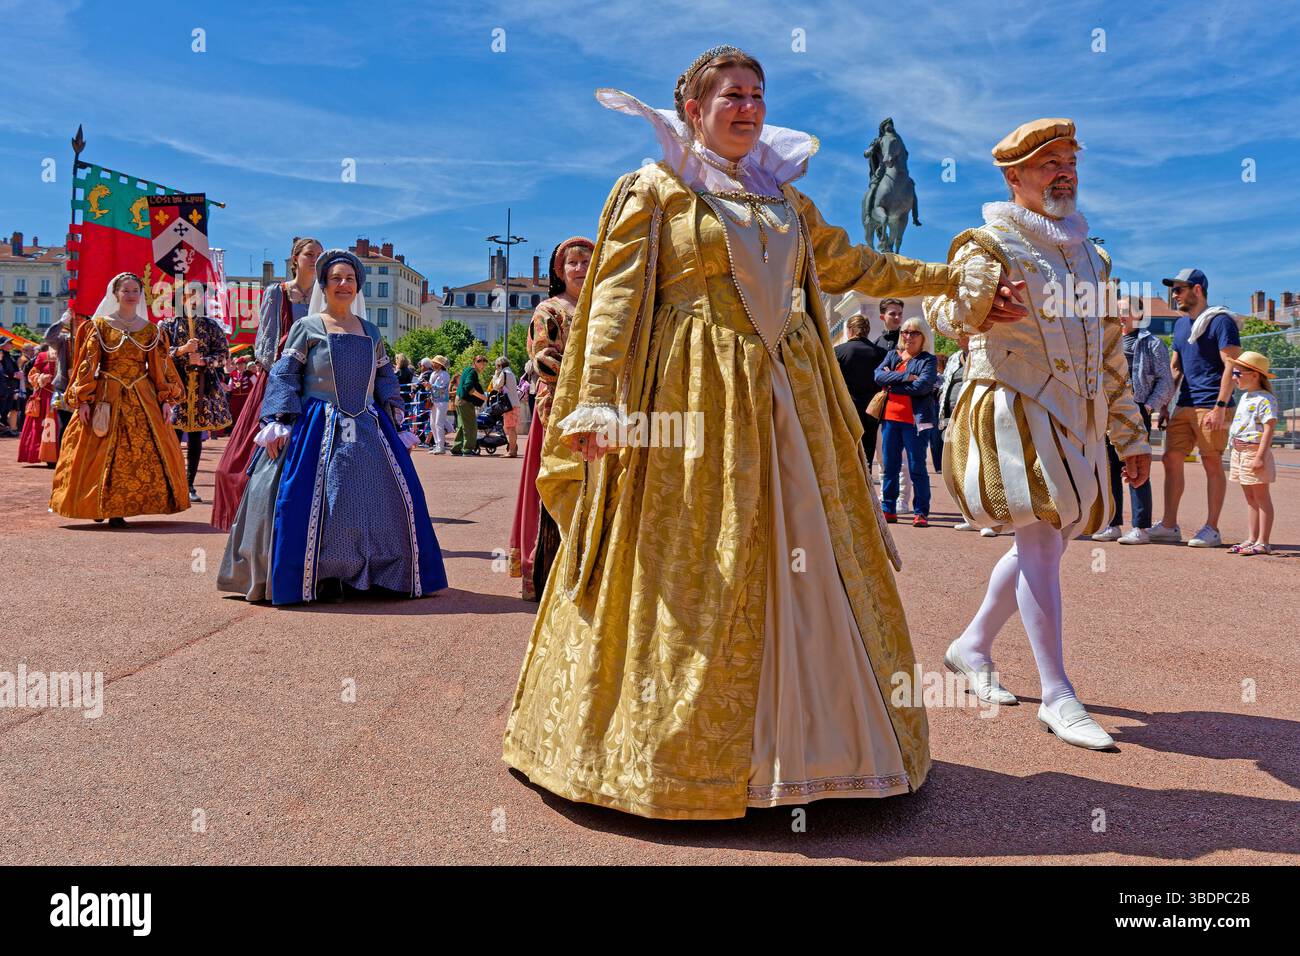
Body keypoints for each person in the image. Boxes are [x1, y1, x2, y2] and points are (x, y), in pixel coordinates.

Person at [503, 46, 1024, 820]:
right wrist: (599, 402)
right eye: (731, 96)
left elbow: (857, 266)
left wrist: (957, 282)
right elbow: (611, 306)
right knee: (696, 568)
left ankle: (830, 750)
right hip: (691, 402)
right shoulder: (655, 190)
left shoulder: (784, 200)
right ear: (694, 109)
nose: (747, 107)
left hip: (791, 396)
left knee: (811, 552)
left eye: (756, 94)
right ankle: (684, 764)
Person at [925, 117, 1150, 750]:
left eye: (1069, 159)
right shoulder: (988, 242)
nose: (1064, 170)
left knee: (1047, 541)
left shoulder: (1090, 253)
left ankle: (971, 646)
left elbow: (1109, 348)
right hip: (1012, 404)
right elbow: (941, 311)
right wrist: (977, 306)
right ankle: (1057, 694)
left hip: (1076, 415)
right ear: (1014, 176)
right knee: (1044, 539)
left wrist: (1130, 435)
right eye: (1048, 162)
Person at [218, 249, 447, 604]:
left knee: (379, 499)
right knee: (315, 498)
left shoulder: (370, 331)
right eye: (336, 278)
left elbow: (385, 377)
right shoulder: (306, 327)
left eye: (350, 279)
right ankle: (320, 574)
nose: (343, 284)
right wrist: (277, 419)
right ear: (323, 285)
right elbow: (285, 375)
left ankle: (374, 573)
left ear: (358, 287)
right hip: (317, 425)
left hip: (369, 427)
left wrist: (397, 415)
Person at [48, 273, 190, 526]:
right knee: (98, 449)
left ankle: (119, 509)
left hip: (141, 395)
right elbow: (87, 365)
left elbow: (160, 367)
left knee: (140, 453)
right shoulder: (99, 326)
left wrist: (166, 399)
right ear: (115, 294)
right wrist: (82, 400)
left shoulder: (150, 330)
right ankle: (97, 503)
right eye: (126, 290)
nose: (132, 294)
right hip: (106, 394)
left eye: (136, 290)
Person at [212, 237, 322, 530]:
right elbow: (266, 339)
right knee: (257, 447)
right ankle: (256, 510)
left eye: (319, 255)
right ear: (295, 259)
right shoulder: (280, 292)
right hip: (280, 376)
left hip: (315, 379)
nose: (314, 259)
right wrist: (280, 373)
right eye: (309, 254)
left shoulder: (325, 295)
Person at [508, 237, 593, 600]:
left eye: (587, 262)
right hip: (559, 407)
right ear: (560, 270)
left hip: (600, 409)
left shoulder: (603, 307)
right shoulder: (549, 309)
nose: (580, 269)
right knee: (556, 483)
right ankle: (545, 570)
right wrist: (587, 381)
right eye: (572, 263)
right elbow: (542, 357)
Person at [1148, 268, 1242, 548]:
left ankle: (1212, 528)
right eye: (1172, 290)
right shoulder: (1179, 325)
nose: (1174, 295)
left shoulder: (1222, 321)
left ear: (1197, 289)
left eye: (1179, 289)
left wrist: (1220, 407)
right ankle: (1169, 525)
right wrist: (1164, 404)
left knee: (1211, 462)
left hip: (1212, 404)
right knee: (1171, 459)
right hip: (1184, 405)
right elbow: (1176, 369)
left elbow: (1232, 366)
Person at [1094, 307, 1175, 544]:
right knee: (1108, 467)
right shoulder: (1106, 339)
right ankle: (1112, 524)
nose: (1120, 314)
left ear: (1139, 315)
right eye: (1116, 310)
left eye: (1126, 310)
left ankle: (1140, 528)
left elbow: (1165, 380)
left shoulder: (1151, 344)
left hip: (1136, 408)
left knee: (1137, 466)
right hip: (1106, 409)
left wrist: (1148, 407)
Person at [161, 288, 232, 502]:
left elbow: (223, 354)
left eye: (197, 297)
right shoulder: (167, 325)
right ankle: (170, 481)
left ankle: (189, 483)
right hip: (175, 388)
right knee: (171, 435)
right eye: (188, 296)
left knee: (195, 436)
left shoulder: (211, 326)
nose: (193, 300)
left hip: (202, 387)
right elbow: (157, 353)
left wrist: (203, 361)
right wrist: (181, 351)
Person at [874, 317, 937, 526]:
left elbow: (922, 387)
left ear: (923, 337)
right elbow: (877, 377)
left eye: (913, 333)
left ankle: (921, 512)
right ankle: (888, 508)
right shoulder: (893, 355)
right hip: (890, 419)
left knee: (916, 466)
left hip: (915, 421)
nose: (908, 336)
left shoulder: (928, 360)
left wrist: (892, 383)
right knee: (889, 466)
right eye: (905, 332)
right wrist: (905, 377)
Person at [1225, 351, 1280, 556]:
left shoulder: (1265, 399)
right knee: (1250, 497)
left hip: (1253, 451)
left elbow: (1269, 428)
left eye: (1238, 373)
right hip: (1239, 452)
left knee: (1261, 497)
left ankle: (1263, 542)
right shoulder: (1247, 396)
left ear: (1255, 375)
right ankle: (1251, 538)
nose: (1234, 377)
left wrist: (1259, 457)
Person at [834, 312, 888, 472]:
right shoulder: (880, 353)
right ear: (867, 330)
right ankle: (867, 480)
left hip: (846, 407)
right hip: (872, 409)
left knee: (846, 448)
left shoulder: (838, 351)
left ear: (850, 330)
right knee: (868, 448)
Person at [17, 344, 58, 465]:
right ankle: (46, 456)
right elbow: (31, 375)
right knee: (42, 426)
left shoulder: (71, 354)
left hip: (63, 395)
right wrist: (42, 378)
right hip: (45, 396)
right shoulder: (42, 356)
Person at [451, 355, 487, 456]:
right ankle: (467, 449)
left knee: (462, 425)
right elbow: (469, 387)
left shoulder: (467, 370)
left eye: (484, 362)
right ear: (475, 362)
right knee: (471, 426)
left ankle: (457, 448)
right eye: (480, 362)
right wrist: (482, 397)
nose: (482, 364)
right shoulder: (473, 372)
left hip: (459, 400)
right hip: (465, 401)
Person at [491, 356, 521, 458]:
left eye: (497, 366)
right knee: (511, 427)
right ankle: (513, 449)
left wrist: (495, 375)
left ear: (500, 365)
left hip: (510, 405)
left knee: (510, 428)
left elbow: (496, 385)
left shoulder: (504, 373)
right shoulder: (510, 373)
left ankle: (512, 451)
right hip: (514, 404)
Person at [425, 355, 451, 454]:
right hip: (434, 400)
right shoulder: (433, 374)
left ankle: (441, 446)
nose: (433, 364)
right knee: (432, 423)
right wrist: (427, 386)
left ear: (440, 365)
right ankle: (437, 445)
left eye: (435, 363)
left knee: (438, 423)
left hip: (442, 401)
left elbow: (442, 387)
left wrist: (430, 386)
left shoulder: (444, 374)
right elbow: (430, 387)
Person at [0, 339, 18, 437]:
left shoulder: (9, 356)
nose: (11, 344)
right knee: (2, 410)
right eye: (9, 343)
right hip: (4, 387)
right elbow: (3, 372)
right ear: (2, 345)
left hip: (10, 387)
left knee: (6, 409)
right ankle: (3, 429)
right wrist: (13, 375)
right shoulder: (2, 355)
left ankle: (4, 429)